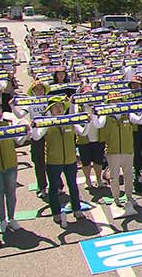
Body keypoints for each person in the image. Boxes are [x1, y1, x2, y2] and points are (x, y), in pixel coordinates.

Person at [31, 96, 90, 224]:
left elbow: (83, 133)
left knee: (73, 186)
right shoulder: (46, 123)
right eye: (55, 107)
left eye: (60, 106)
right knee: (53, 188)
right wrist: (33, 127)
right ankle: (56, 212)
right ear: (50, 110)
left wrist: (88, 123)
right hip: (53, 162)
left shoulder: (70, 121)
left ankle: (76, 209)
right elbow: (36, 137)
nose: (58, 109)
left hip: (70, 160)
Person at [94, 91, 142, 210]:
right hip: (113, 151)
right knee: (114, 177)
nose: (116, 103)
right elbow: (98, 125)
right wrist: (93, 115)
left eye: (118, 100)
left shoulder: (127, 113)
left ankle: (129, 196)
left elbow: (139, 120)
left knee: (128, 175)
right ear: (109, 103)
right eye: (113, 101)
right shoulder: (105, 115)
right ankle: (116, 199)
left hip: (128, 150)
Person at [0, 97, 28, 233]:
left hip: (10, 164)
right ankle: (2, 220)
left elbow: (19, 141)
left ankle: (11, 218)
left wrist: (26, 132)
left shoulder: (8, 121)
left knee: (11, 192)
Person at [11, 79, 52, 198]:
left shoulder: (50, 101)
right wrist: (13, 106)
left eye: (41, 89)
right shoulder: (30, 103)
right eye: (36, 89)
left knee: (53, 160)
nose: (39, 91)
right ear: (33, 91)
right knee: (38, 161)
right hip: (36, 134)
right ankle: (42, 187)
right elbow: (19, 115)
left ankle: (57, 186)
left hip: (49, 133)